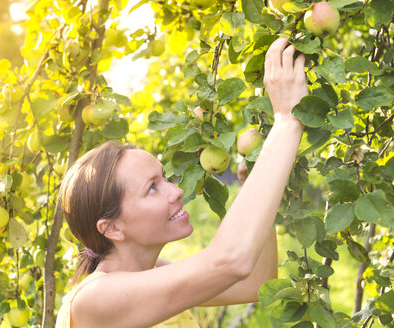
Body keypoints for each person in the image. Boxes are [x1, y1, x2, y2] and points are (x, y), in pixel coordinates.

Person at [56, 37, 308, 328]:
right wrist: (287, 120)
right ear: (112, 228)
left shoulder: (150, 273)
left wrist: (257, 187)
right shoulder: (96, 299)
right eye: (152, 187)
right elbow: (230, 261)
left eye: (163, 178)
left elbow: (254, 283)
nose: (176, 191)